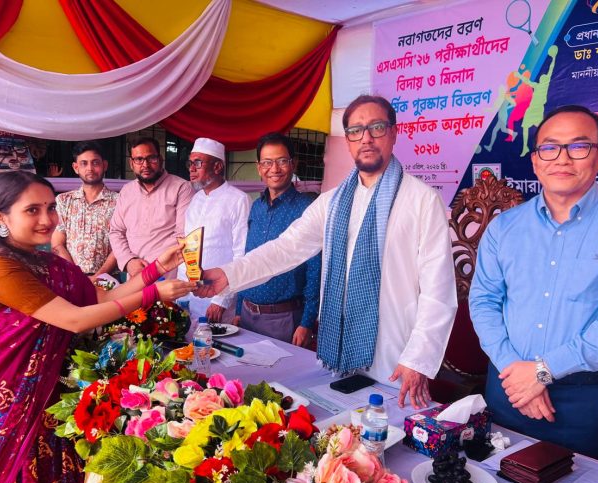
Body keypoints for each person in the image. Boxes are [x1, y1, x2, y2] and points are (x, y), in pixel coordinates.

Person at [197, 95, 457, 409]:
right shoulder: (332, 202)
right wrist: (228, 275)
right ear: (347, 141)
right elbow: (286, 248)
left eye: (376, 127)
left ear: (393, 133)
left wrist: (418, 358)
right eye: (356, 131)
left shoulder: (421, 200)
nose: (366, 138)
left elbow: (438, 291)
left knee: (386, 430)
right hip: (339, 349)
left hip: (395, 354)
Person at [0, 171, 196, 483]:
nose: (47, 220)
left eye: (50, 208)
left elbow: (101, 298)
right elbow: (75, 319)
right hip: (4, 398)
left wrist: (155, 270)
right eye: (32, 210)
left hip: (47, 396)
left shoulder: (48, 264)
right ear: (0, 217)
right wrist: (151, 294)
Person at [469, 105, 598, 459]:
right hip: (507, 387)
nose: (562, 158)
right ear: (535, 161)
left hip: (582, 399)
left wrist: (542, 373)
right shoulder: (504, 227)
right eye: (549, 147)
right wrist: (515, 372)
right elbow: (484, 302)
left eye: (578, 146)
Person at [234, 133, 321, 347]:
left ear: (293, 164)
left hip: (284, 319)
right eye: (267, 162)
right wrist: (238, 309)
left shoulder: (307, 209)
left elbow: (315, 268)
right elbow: (248, 258)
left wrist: (306, 322)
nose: (274, 169)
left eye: (282, 161)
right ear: (259, 167)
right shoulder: (257, 206)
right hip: (246, 315)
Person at [177, 138, 250, 325]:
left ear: (217, 167)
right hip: (190, 295)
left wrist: (221, 300)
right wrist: (181, 292)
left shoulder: (239, 200)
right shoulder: (195, 200)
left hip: (218, 300)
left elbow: (241, 254)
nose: (191, 169)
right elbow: (188, 249)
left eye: (198, 163)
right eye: (190, 163)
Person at [109, 137, 194, 277]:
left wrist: (152, 267)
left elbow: (183, 235)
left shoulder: (181, 188)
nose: (145, 165)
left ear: (160, 159)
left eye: (151, 158)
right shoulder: (127, 191)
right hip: (134, 276)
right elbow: (116, 231)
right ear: (131, 163)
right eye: (139, 159)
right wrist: (129, 261)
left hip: (168, 276)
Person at [51, 140, 118, 278]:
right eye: (84, 163)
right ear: (76, 167)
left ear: (104, 165)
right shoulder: (64, 201)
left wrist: (99, 276)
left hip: (108, 279)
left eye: (95, 163)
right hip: (72, 277)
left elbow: (121, 245)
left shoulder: (119, 201)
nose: (90, 168)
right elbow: (57, 244)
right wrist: (77, 276)